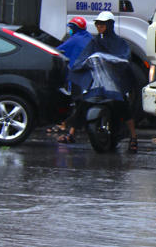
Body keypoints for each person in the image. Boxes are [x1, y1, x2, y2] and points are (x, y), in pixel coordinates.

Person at [67, 11, 139, 153]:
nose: (99, 27)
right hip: (98, 82)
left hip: (114, 82)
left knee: (122, 105)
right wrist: (83, 63)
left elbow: (125, 58)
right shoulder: (95, 42)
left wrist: (111, 61)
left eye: (102, 24)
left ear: (109, 25)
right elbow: (84, 57)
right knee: (82, 103)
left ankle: (133, 137)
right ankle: (71, 133)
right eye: (97, 24)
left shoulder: (120, 42)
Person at [51, 17, 92, 141]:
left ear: (74, 28)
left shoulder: (74, 39)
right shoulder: (90, 38)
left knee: (78, 103)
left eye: (70, 28)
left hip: (77, 75)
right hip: (91, 75)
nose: (69, 30)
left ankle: (70, 131)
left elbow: (58, 51)